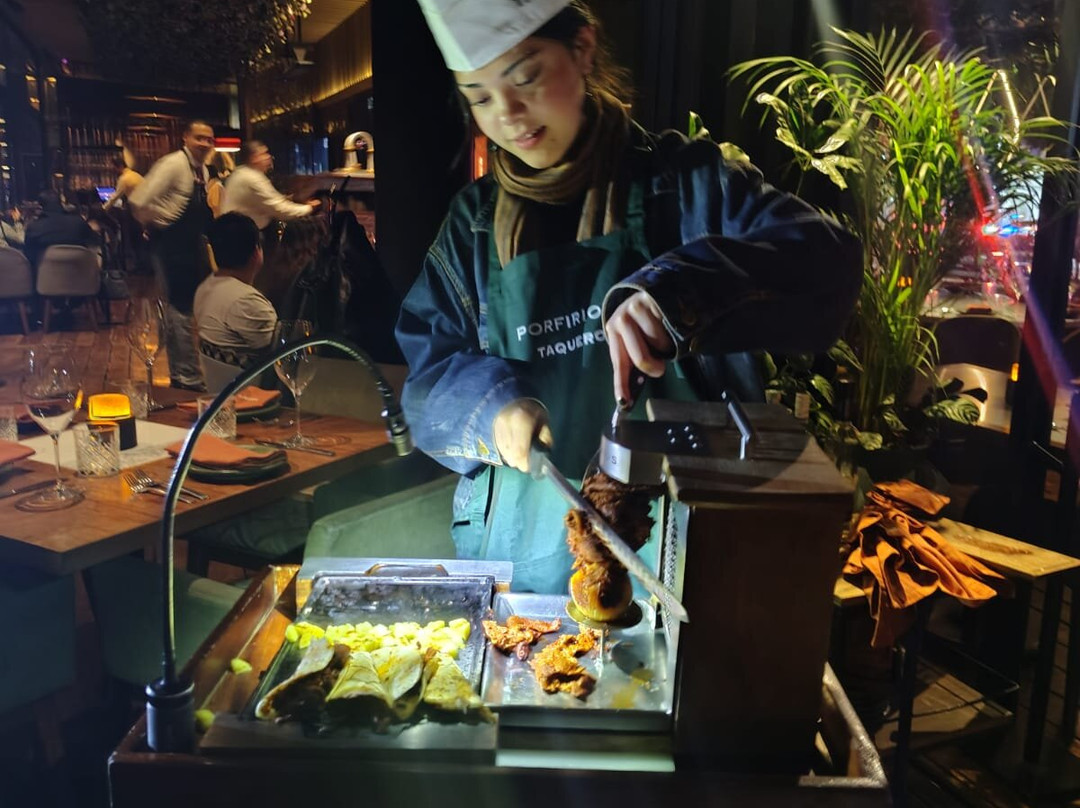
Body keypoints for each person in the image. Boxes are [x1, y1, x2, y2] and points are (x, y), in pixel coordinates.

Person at [397, 0, 863, 593]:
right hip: (529, 559)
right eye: (480, 98)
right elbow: (427, 378)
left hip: (691, 546)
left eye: (526, 76)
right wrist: (492, 408)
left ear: (583, 49)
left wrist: (679, 291)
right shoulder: (473, 226)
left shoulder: (691, 186)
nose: (507, 114)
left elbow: (830, 264)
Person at [129, 120, 215, 390]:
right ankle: (186, 376)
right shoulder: (173, 164)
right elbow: (138, 200)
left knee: (183, 308)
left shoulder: (201, 169)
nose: (205, 143)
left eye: (209, 139)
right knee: (180, 309)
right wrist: (161, 220)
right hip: (170, 245)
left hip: (188, 245)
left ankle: (182, 372)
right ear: (185, 138)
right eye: (199, 137)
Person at [196, 212, 277, 368]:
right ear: (256, 253)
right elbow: (283, 357)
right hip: (252, 382)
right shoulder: (247, 302)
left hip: (218, 381)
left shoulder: (205, 288)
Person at [221, 140, 319, 234]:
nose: (268, 157)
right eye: (264, 153)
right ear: (254, 158)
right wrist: (309, 208)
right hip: (246, 235)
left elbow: (267, 201)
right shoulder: (252, 178)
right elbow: (279, 209)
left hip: (235, 232)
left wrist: (291, 199)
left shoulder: (239, 173)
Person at [23, 190, 98, 269]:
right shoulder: (78, 223)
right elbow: (95, 243)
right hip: (81, 273)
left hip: (46, 275)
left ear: (40, 207)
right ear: (61, 204)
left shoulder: (34, 228)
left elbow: (28, 257)